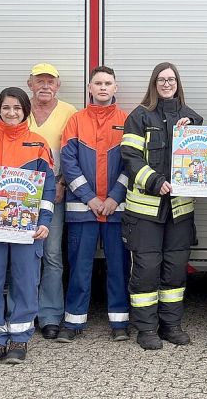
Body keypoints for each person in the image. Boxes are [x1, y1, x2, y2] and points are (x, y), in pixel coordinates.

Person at [120, 62, 202, 350]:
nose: (167, 84)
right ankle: (146, 329)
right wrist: (154, 181)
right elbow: (130, 157)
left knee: (175, 270)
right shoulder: (139, 117)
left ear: (178, 83)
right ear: (153, 83)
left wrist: (187, 131)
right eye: (161, 80)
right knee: (146, 270)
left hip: (179, 211)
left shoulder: (192, 119)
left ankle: (171, 326)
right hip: (145, 211)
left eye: (172, 79)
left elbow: (201, 158)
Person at [0, 87, 55, 364]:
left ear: (25, 111)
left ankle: (19, 339)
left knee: (25, 281)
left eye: (17, 108)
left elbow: (48, 190)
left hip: (26, 227)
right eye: (6, 107)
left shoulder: (39, 143)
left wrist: (44, 222)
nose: (11, 113)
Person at [59, 66, 132, 343]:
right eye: (98, 83)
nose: (103, 87)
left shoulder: (128, 120)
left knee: (119, 266)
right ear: (90, 88)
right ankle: (73, 321)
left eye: (108, 83)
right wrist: (90, 198)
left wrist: (114, 197)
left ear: (115, 88)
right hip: (83, 210)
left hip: (117, 209)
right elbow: (68, 162)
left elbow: (132, 163)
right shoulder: (76, 121)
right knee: (78, 267)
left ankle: (120, 322)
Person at [26, 63, 77, 340]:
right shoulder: (20, 109)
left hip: (54, 190)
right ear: (29, 83)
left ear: (58, 85)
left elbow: (73, 153)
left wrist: (63, 183)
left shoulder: (69, 113)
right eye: (39, 81)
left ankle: (50, 315)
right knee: (21, 255)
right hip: (20, 194)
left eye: (50, 82)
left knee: (53, 255)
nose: (45, 86)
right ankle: (23, 312)